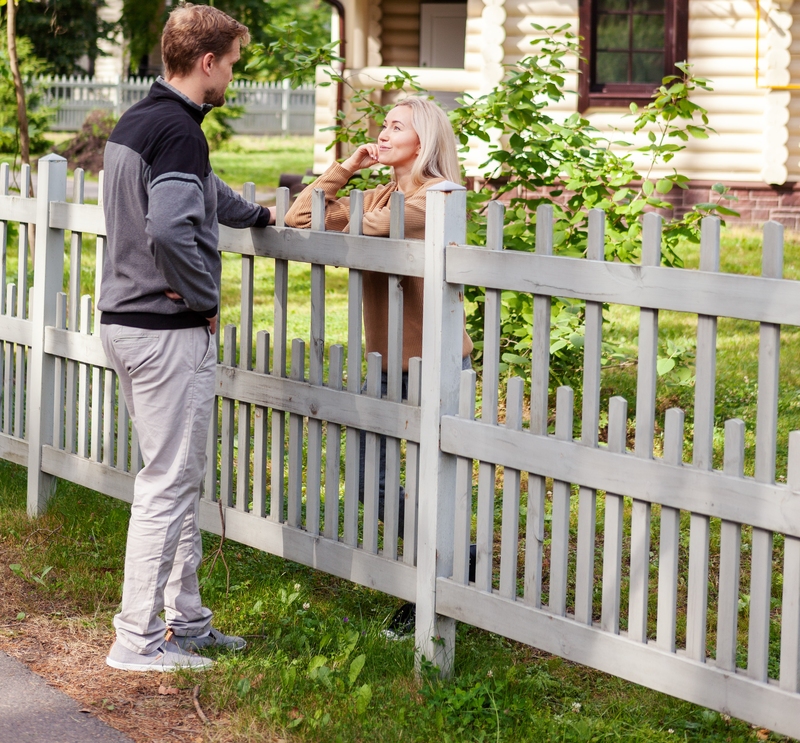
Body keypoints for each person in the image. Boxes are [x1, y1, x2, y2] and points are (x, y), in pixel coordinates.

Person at [98, 2, 274, 672]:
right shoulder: (178, 132)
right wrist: (202, 296)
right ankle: (138, 641)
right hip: (163, 330)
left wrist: (257, 213)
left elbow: (198, 192)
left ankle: (188, 621)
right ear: (207, 62)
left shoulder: (143, 120)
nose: (232, 74)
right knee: (167, 484)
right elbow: (172, 227)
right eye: (231, 63)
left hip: (127, 323)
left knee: (175, 476)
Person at [284, 97, 473, 539]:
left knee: (436, 481)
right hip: (386, 365)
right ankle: (444, 554)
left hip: (437, 363)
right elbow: (299, 216)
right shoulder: (380, 196)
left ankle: (445, 569)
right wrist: (347, 166)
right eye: (383, 126)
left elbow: (360, 225)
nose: (382, 135)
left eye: (396, 128)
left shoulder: (438, 196)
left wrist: (349, 215)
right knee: (372, 484)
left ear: (423, 141)